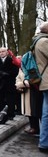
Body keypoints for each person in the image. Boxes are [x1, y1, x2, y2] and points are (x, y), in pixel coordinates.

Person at [0, 47, 18, 120]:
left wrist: (7, 74)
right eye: (0, 52)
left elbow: (15, 71)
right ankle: (0, 113)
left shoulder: (11, 60)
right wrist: (1, 73)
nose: (1, 53)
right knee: (0, 99)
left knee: (10, 99)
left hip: (9, 83)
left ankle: (10, 114)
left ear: (6, 52)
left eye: (3, 51)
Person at [16, 61, 41, 135]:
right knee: (28, 111)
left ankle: (37, 128)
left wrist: (23, 83)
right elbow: (18, 78)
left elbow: (32, 80)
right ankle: (33, 127)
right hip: (25, 92)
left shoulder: (33, 67)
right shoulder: (21, 68)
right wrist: (20, 84)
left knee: (34, 110)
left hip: (34, 92)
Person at [36, 21, 48, 152]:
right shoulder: (44, 42)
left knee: (46, 113)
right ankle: (44, 142)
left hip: (45, 82)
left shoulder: (39, 41)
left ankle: (44, 142)